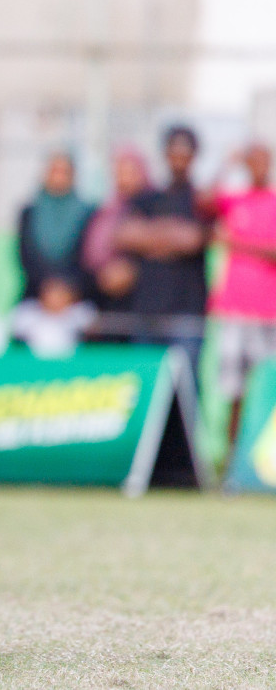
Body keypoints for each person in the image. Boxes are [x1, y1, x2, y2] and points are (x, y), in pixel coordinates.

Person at [115, 125, 211, 371]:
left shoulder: (202, 200)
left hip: (186, 312)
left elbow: (193, 240)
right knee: (146, 383)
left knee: (186, 391)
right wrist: (172, 236)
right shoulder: (147, 197)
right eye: (174, 151)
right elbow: (125, 235)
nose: (179, 158)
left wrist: (151, 236)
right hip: (147, 309)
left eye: (185, 152)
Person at [208, 142, 276, 460]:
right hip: (233, 310)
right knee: (233, 391)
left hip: (268, 312)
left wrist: (235, 242)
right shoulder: (235, 200)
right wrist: (225, 161)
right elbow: (204, 201)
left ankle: (260, 463)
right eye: (253, 160)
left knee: (266, 389)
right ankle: (232, 465)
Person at [80, 146, 151, 337]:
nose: (124, 179)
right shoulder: (103, 212)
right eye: (119, 172)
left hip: (141, 307)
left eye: (130, 173)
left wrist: (132, 271)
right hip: (104, 302)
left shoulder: (153, 207)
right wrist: (103, 274)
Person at [18, 152, 93, 300]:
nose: (59, 177)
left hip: (75, 296)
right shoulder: (30, 212)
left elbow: (85, 257)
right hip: (36, 294)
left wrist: (67, 290)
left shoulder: (87, 213)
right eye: (54, 171)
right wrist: (47, 288)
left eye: (64, 172)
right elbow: (26, 256)